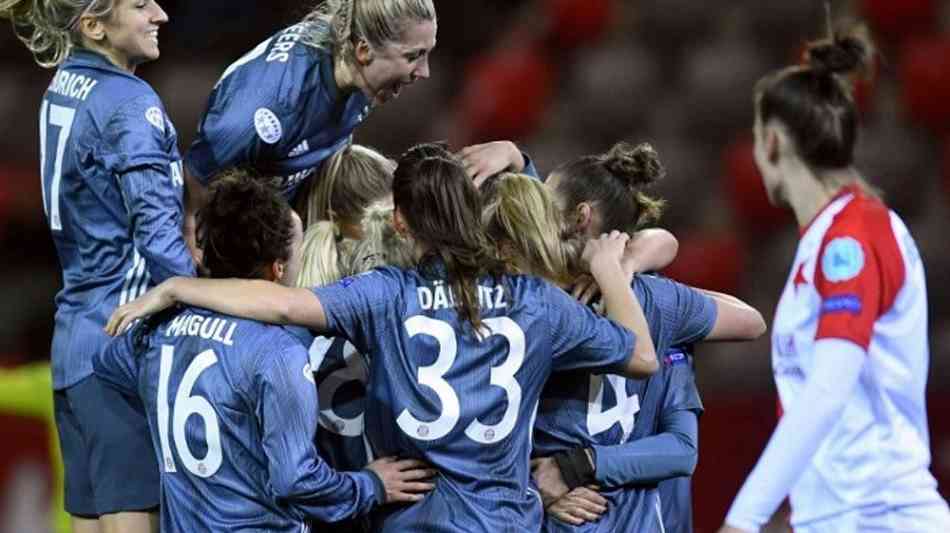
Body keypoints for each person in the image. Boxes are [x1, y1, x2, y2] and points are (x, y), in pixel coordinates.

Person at [105, 144, 660, 532]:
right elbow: (641, 356)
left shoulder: (382, 294)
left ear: (399, 223)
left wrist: (179, 286)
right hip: (502, 519)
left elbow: (278, 303)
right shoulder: (536, 302)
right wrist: (612, 269)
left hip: (411, 515)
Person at [94, 172, 434, 531]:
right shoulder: (277, 352)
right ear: (279, 268)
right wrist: (370, 485)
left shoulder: (155, 331)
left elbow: (106, 366)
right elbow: (295, 479)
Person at [719, 22, 950, 533]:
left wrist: (743, 518)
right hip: (838, 517)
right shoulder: (824, 240)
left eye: (755, 139)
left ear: (773, 142)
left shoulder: (853, 237)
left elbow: (829, 386)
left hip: (882, 517)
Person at [478, 168, 764, 533]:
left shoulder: (527, 305)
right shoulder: (659, 299)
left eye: (545, 202)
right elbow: (752, 322)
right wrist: (624, 269)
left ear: (580, 217)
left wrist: (555, 474)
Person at [1, 1, 195, 531]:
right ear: (93, 26)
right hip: (122, 342)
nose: (161, 14)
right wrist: (209, 306)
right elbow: (158, 239)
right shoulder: (129, 101)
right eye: (139, 5)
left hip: (74, 344)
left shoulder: (63, 86)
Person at [182, 0, 438, 255]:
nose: (424, 71)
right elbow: (195, 182)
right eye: (413, 56)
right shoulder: (264, 110)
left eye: (427, 53)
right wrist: (195, 251)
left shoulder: (359, 73)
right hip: (229, 241)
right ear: (363, 50)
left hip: (282, 223)